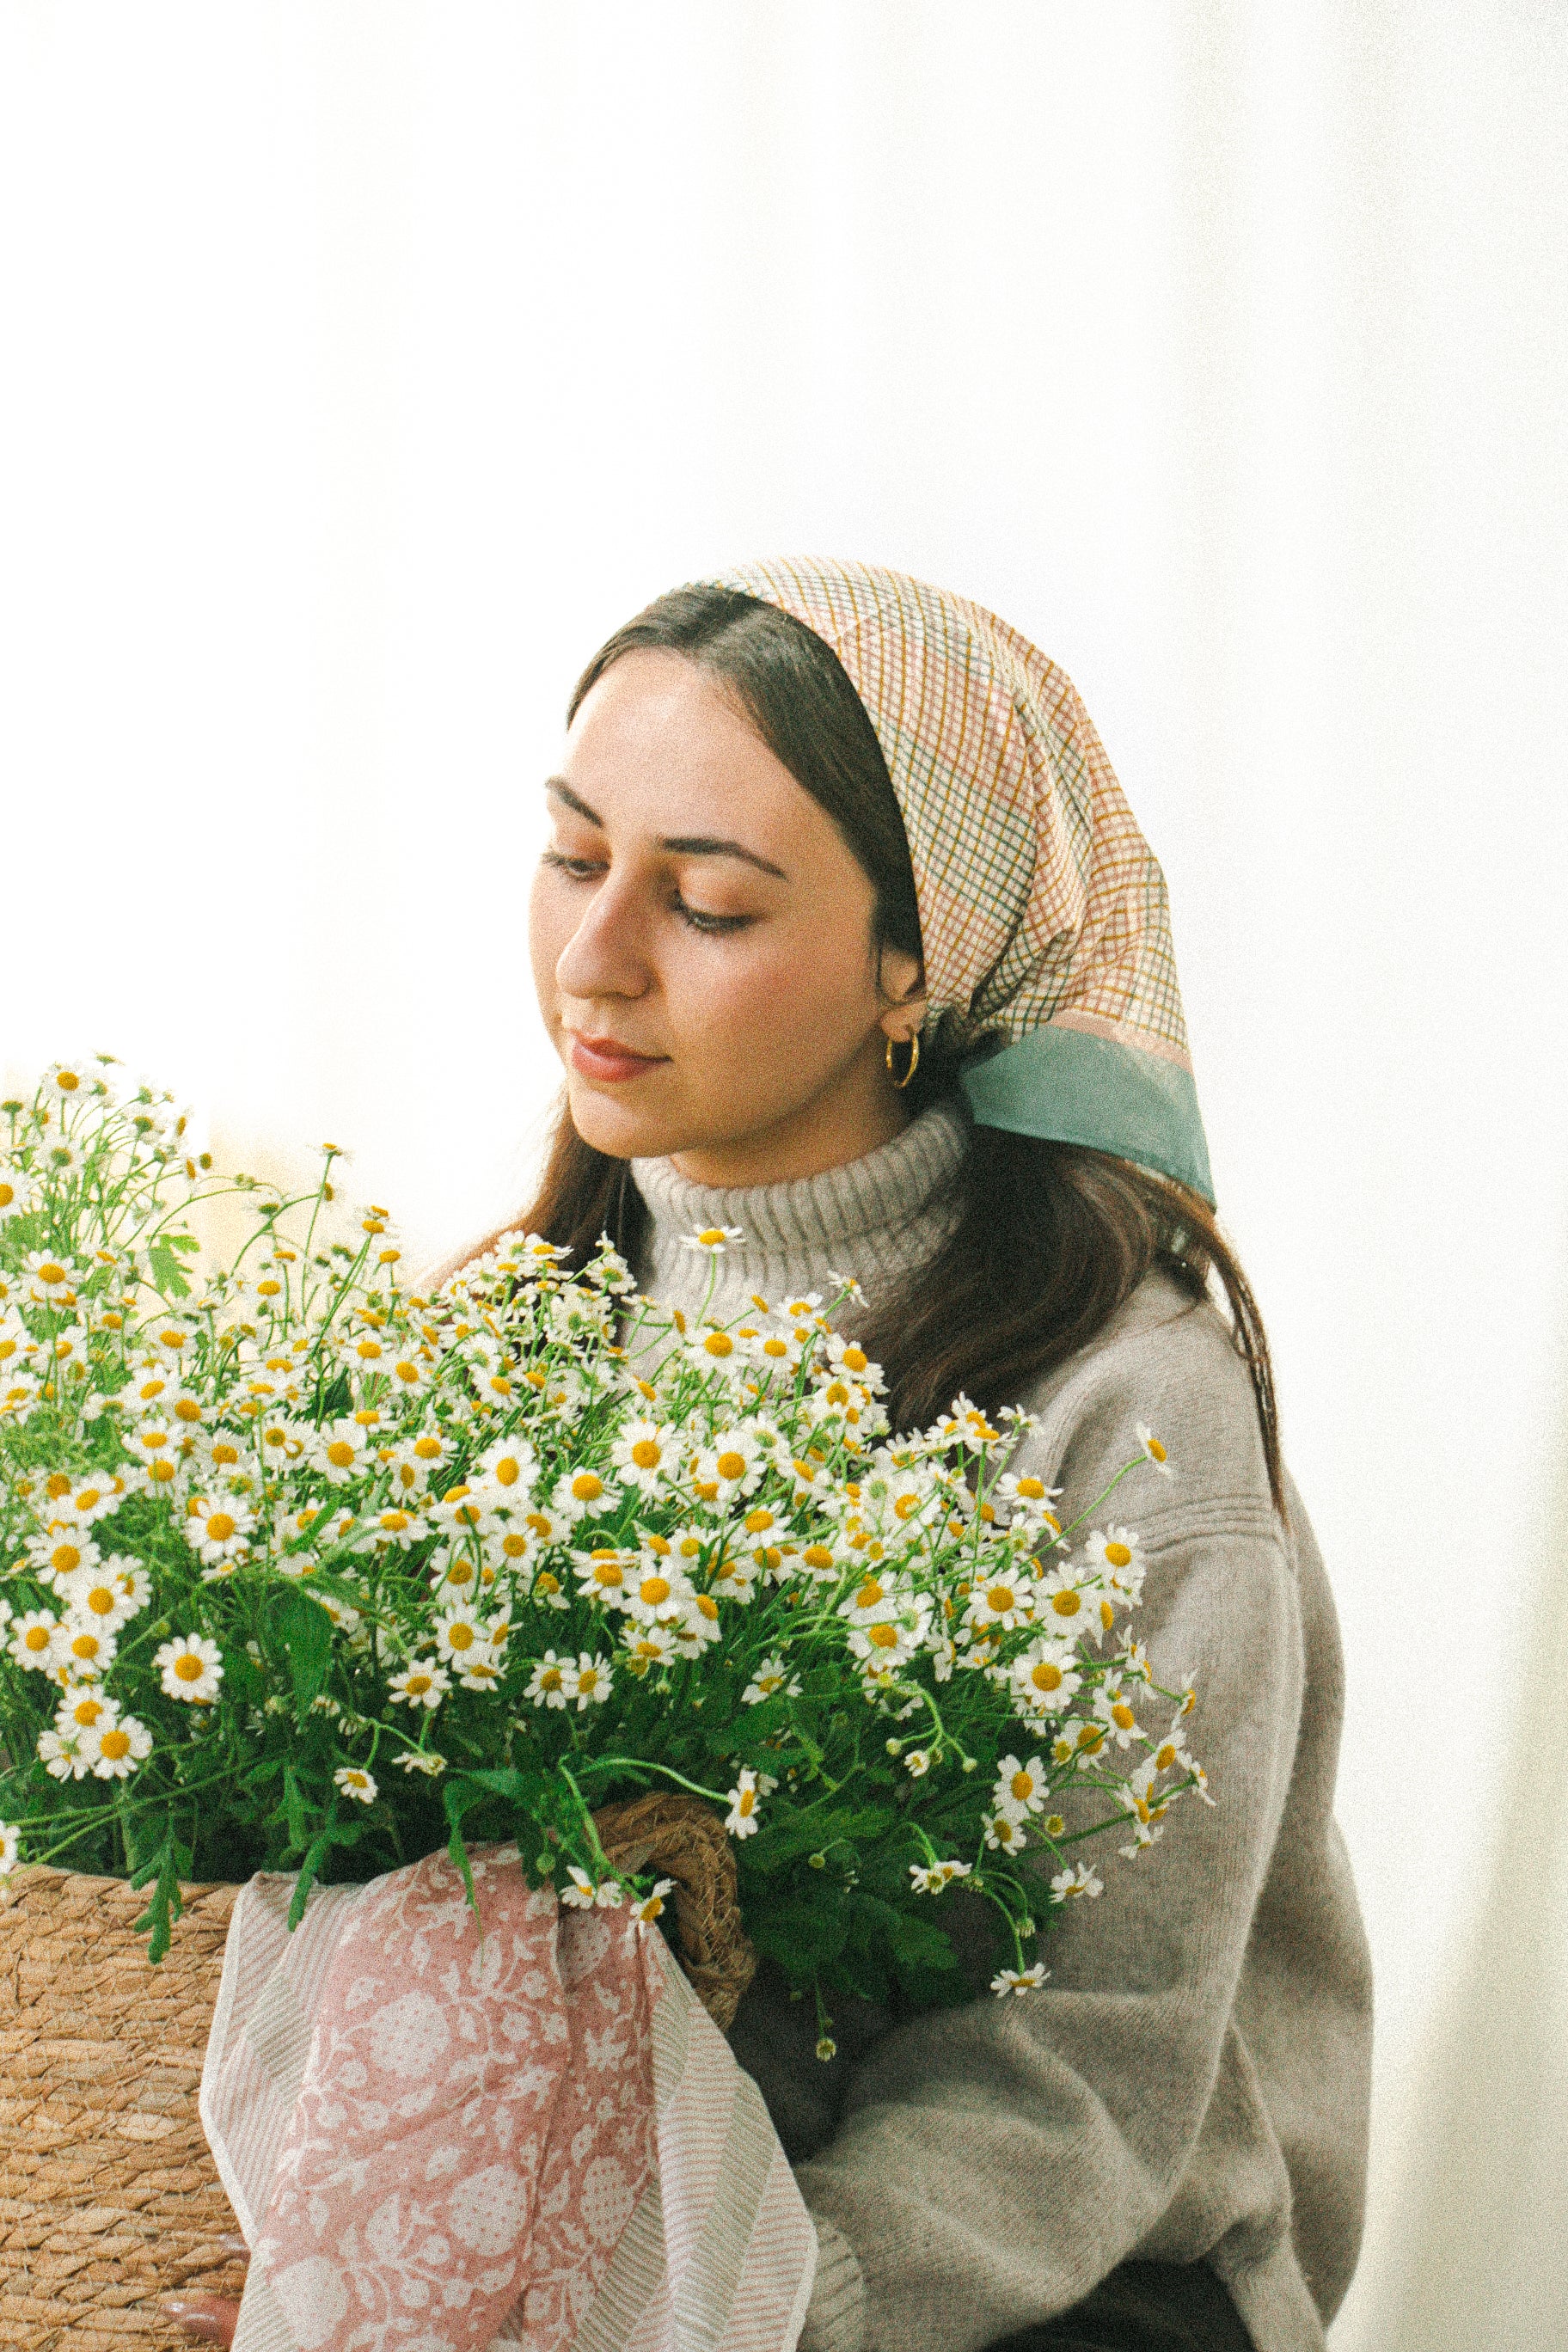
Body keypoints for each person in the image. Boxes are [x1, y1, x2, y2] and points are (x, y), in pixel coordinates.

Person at [169, 558, 1371, 2352]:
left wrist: (745, 2307)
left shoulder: (1128, 1408)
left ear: (916, 964)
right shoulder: (512, 1336)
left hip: (1046, 2293)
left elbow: (1088, 2073)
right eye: (574, 858)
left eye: (709, 904)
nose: (596, 956)